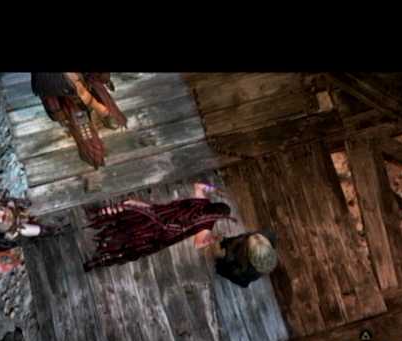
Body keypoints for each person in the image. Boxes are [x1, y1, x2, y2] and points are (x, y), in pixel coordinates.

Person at [83, 182, 234, 271]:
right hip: (160, 236)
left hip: (155, 214)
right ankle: (97, 260)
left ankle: (97, 215)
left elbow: (198, 185)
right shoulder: (207, 226)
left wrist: (213, 188)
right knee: (132, 248)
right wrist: (212, 239)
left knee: (129, 211)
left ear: (214, 204)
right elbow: (198, 244)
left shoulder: (202, 201)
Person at [31, 72, 127, 169]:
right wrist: (58, 114)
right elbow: (50, 96)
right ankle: (94, 155)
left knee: (99, 97)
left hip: (85, 83)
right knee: (83, 129)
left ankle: (108, 118)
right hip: (68, 99)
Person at [210, 230, 279, 288]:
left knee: (219, 266)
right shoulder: (265, 237)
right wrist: (224, 240)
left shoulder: (245, 270)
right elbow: (245, 238)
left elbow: (229, 265)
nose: (256, 236)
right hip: (245, 254)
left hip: (239, 272)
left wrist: (221, 254)